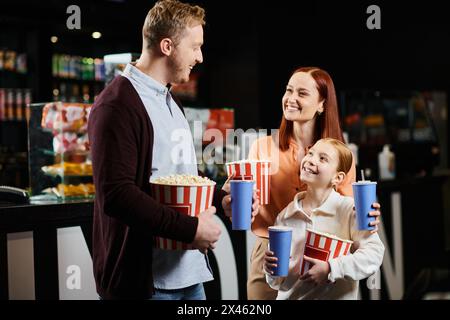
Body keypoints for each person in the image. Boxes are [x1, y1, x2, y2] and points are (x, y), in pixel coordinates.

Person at [88, 0, 258, 300]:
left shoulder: (170, 101)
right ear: (167, 46)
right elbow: (117, 195)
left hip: (189, 277)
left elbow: (178, 180)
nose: (201, 57)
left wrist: (222, 199)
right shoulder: (115, 105)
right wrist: (191, 229)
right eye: (195, 47)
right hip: (146, 284)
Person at [246, 67, 381, 299]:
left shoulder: (341, 155)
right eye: (289, 91)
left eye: (302, 93)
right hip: (271, 253)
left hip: (323, 255)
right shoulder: (262, 147)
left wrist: (367, 215)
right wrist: (235, 200)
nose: (291, 99)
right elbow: (240, 201)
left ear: (321, 104)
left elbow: (350, 213)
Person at [263, 138, 385, 299]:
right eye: (310, 153)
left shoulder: (350, 210)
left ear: (338, 178)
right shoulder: (286, 216)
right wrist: (270, 269)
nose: (311, 160)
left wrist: (331, 269)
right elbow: (278, 283)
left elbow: (373, 255)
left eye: (323, 158)